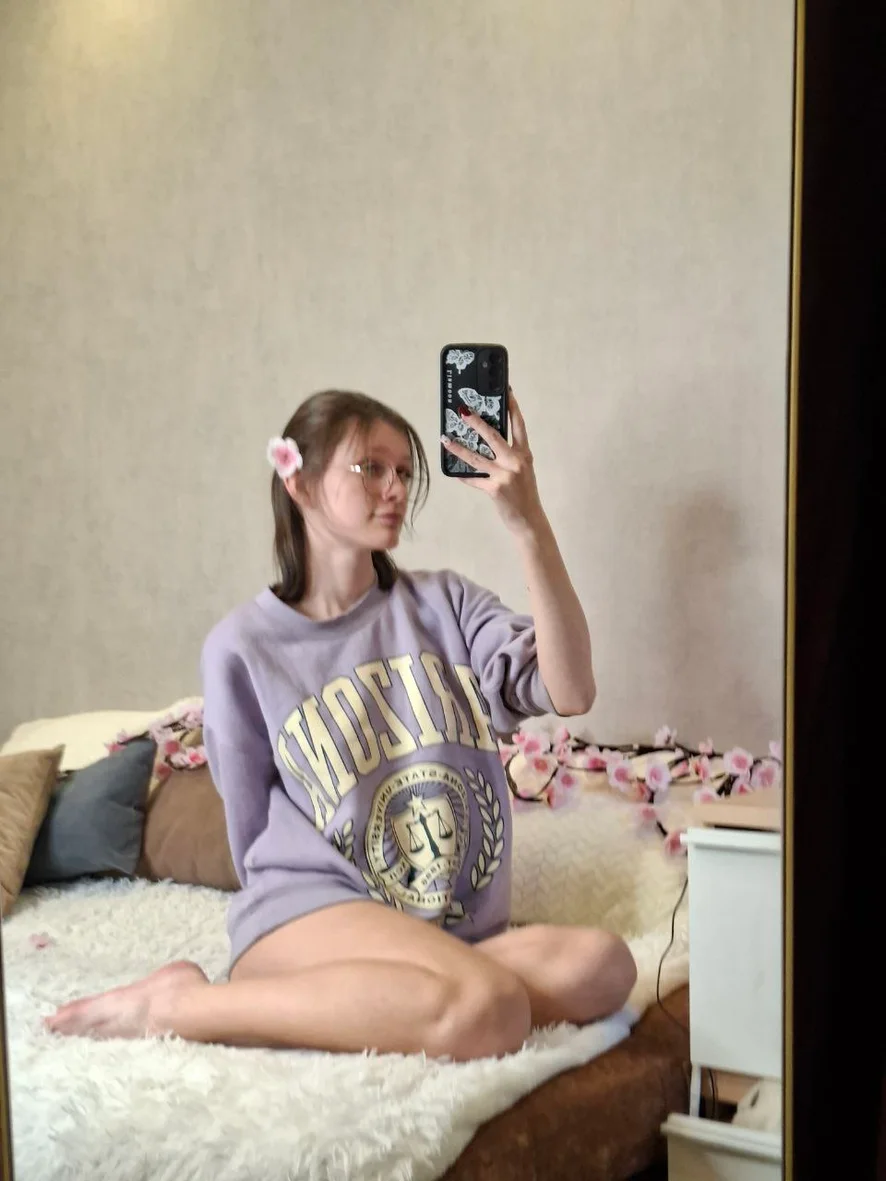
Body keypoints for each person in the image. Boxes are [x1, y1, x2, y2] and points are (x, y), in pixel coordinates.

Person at [46, 387, 636, 1060]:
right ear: (297, 481)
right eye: (370, 468)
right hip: (311, 912)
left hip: (443, 929)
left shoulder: (445, 604)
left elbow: (572, 689)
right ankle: (179, 1003)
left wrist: (527, 522)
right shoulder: (243, 647)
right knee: (488, 1010)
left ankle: (407, 991)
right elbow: (251, 826)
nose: (396, 488)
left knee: (602, 966)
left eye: (404, 471)